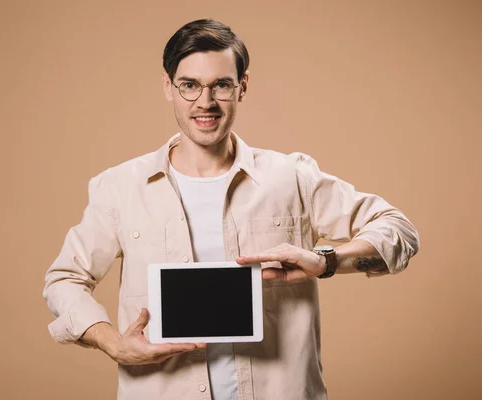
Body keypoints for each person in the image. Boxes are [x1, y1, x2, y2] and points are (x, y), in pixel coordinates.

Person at [43, 19, 420, 400]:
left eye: (220, 85)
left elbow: (398, 230)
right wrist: (112, 343)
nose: (204, 103)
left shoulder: (291, 177)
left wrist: (327, 261)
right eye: (189, 85)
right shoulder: (121, 187)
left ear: (242, 87)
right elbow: (64, 280)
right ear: (168, 87)